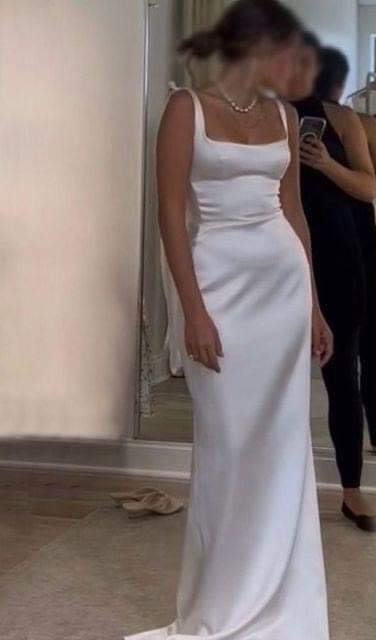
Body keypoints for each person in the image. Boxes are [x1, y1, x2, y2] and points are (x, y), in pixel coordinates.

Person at [124, 2, 333, 639]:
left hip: (281, 291)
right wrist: (191, 309)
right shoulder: (185, 109)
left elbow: (293, 213)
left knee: (281, 447)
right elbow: (169, 215)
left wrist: (314, 305)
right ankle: (222, 601)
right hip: (218, 290)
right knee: (227, 447)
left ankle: (283, 601)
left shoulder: (284, 115)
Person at [287, 33, 376, 530]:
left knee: (343, 374)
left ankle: (351, 490)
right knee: (276, 376)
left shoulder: (343, 119)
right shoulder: (266, 117)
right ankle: (277, 490)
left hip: (340, 258)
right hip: (283, 254)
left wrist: (325, 163)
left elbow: (367, 186)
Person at [316, 46, 376, 456]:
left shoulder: (355, 122)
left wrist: (326, 164)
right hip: (333, 243)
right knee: (354, 351)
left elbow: (371, 186)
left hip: (355, 242)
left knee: (362, 347)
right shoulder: (356, 122)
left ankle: (372, 437)